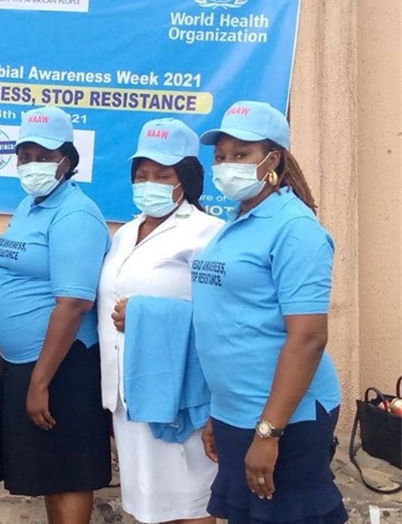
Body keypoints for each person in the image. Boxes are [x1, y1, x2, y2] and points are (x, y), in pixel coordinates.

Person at [193, 101, 347, 523]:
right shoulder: (237, 223)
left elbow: (308, 338)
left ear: (272, 159)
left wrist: (268, 432)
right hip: (236, 411)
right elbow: (229, 321)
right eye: (221, 156)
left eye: (241, 154)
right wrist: (218, 411)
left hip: (285, 420)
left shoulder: (295, 229)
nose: (227, 165)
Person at [0, 106, 111, 524]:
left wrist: (41, 381)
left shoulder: (75, 213)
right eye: (24, 155)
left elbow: (74, 303)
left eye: (42, 155)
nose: (30, 164)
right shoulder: (30, 206)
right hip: (28, 363)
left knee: (70, 474)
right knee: (50, 472)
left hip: (62, 366)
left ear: (67, 160)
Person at [98, 118, 222, 524]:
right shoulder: (125, 232)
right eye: (142, 174)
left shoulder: (209, 234)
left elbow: (220, 316)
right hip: (127, 392)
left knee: (191, 504)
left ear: (184, 177)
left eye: (162, 174)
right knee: (148, 503)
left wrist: (145, 314)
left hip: (179, 393)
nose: (149, 182)